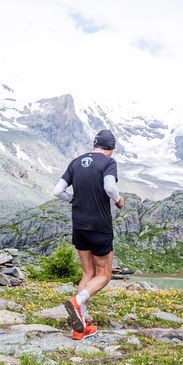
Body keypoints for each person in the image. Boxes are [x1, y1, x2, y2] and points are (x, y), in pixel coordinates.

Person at [52, 129, 124, 340]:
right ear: (111, 148)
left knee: (87, 273)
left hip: (79, 226)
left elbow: (57, 191)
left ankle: (80, 328)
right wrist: (119, 200)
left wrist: (72, 199)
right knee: (103, 274)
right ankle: (77, 301)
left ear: (95, 145)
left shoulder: (76, 162)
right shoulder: (108, 163)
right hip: (99, 225)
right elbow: (109, 186)